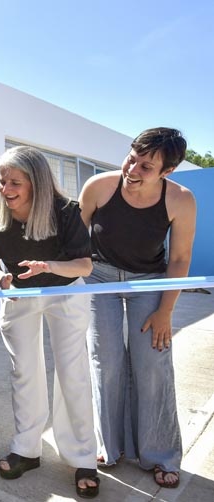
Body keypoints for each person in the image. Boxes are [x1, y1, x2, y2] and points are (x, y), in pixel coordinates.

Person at [79, 128, 196, 489]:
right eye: (131, 157)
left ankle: (160, 455)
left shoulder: (181, 200)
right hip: (100, 278)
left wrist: (165, 311)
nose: (133, 169)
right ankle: (108, 446)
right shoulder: (98, 187)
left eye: (146, 166)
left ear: (167, 172)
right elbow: (72, 240)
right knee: (107, 361)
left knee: (152, 365)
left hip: (150, 281)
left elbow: (179, 258)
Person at [0, 146, 99, 498]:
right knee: (24, 372)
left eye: (15, 182)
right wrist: (1, 278)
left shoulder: (65, 212)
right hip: (19, 294)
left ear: (37, 183)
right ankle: (26, 449)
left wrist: (49, 268)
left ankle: (82, 457)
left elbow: (84, 265)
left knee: (72, 372)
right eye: (2, 181)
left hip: (65, 292)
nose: (6, 189)